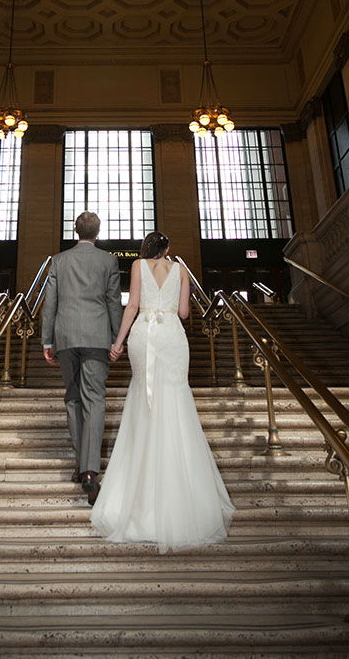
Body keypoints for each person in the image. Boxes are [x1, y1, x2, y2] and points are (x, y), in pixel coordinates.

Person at [90, 231, 234, 552]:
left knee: (144, 400)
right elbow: (184, 312)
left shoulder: (138, 266)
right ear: (168, 249)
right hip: (170, 334)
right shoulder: (181, 269)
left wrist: (118, 342)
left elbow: (132, 307)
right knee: (175, 398)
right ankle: (181, 497)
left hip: (143, 334)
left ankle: (137, 496)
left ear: (146, 249)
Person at [41, 211, 122, 505]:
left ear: (75, 231)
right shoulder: (108, 261)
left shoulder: (58, 261)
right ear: (98, 232)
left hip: (65, 337)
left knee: (73, 397)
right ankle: (90, 470)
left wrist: (47, 340)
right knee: (95, 399)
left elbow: (50, 303)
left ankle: (80, 465)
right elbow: (114, 301)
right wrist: (117, 338)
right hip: (97, 336)